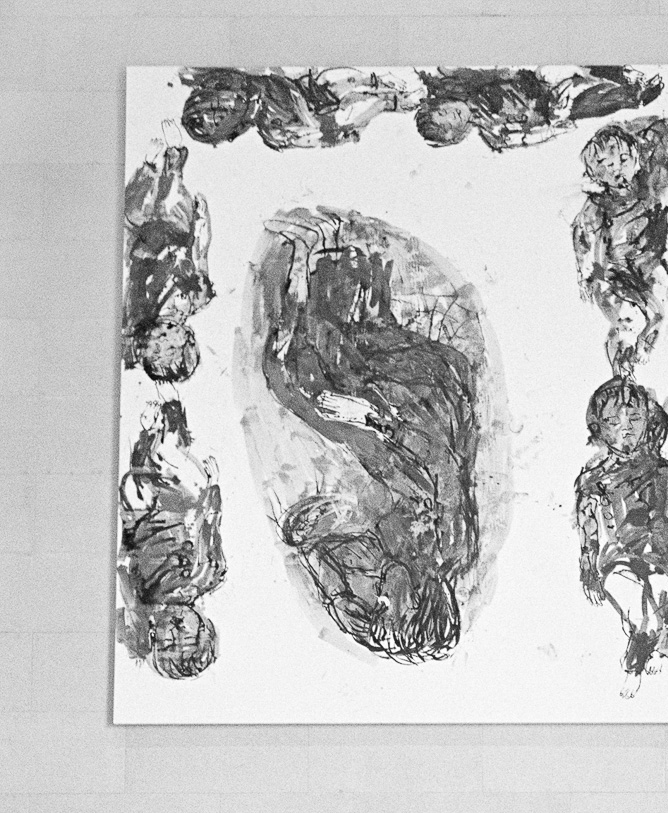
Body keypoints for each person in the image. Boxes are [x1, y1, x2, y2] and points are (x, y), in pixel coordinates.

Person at [261, 211, 481, 661]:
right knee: (318, 381)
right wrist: (379, 420)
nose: (379, 599)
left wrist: (311, 535)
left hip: (373, 452)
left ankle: (302, 281)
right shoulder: (451, 544)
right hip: (418, 420)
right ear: (424, 599)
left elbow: (320, 545)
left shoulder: (381, 574)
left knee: (294, 384)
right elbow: (441, 462)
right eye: (390, 609)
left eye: (378, 612)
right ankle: (329, 262)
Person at [575, 378, 668, 696]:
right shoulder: (594, 478)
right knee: (636, 612)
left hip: (656, 550)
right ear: (599, 428)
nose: (625, 428)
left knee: (660, 591)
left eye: (634, 419)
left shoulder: (657, 468)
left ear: (647, 422)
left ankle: (660, 639)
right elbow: (588, 527)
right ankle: (641, 655)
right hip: (617, 555)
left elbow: (660, 516)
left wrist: (663, 559)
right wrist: (588, 568)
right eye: (614, 422)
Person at [117, 398, 225, 678]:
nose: (176, 631)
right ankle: (166, 428)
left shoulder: (143, 604)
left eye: (167, 643)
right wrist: (213, 489)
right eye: (186, 637)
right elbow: (209, 528)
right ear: (202, 624)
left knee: (133, 488)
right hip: (173, 511)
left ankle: (151, 432)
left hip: (138, 524)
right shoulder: (204, 577)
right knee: (157, 477)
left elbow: (122, 568)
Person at [572, 116, 668, 376]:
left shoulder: (649, 187)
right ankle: (622, 369)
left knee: (660, 312)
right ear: (595, 173)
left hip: (648, 266)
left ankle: (643, 349)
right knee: (625, 320)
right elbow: (582, 235)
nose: (617, 170)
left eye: (623, 161)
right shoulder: (599, 204)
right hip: (614, 273)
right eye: (605, 166)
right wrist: (586, 273)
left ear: (636, 157)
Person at [123, 124, 213, 383]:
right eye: (167, 344)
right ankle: (174, 156)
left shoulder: (139, 316)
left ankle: (149, 167)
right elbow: (200, 255)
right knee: (175, 198)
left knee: (134, 209)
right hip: (177, 234)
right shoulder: (197, 298)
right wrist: (202, 222)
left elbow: (131, 275)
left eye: (152, 349)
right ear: (187, 335)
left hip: (143, 240)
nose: (157, 339)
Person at [414, 65, 662, 151]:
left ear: (443, 101)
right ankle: (633, 97)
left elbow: (500, 73)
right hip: (548, 110)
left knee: (573, 71)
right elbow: (526, 138)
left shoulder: (475, 87)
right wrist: (557, 128)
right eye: (447, 124)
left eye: (443, 111)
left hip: (536, 82)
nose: (452, 116)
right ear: (455, 134)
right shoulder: (492, 135)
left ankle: (624, 73)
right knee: (580, 105)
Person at [180, 67, 422, 151]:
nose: (217, 113)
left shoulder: (233, 78)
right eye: (217, 119)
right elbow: (327, 134)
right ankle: (389, 99)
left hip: (316, 88)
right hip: (326, 111)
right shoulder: (274, 130)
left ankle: (384, 91)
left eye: (212, 109)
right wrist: (380, 105)